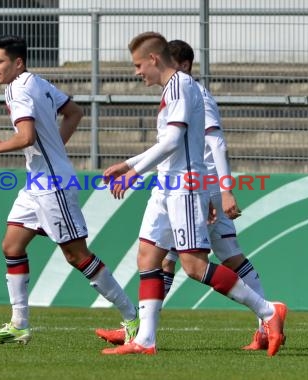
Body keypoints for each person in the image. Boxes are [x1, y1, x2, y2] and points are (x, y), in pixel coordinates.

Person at [98, 32, 287, 357]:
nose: (136, 72)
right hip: (166, 186)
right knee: (148, 257)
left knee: (195, 267)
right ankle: (145, 339)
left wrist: (134, 173)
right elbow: (169, 143)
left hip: (185, 187)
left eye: (138, 65)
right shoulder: (172, 89)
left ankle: (269, 312)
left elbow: (178, 142)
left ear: (154, 59)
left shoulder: (185, 88)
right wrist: (129, 163)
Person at [0, 35, 138, 345]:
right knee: (12, 246)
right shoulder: (38, 83)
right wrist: (55, 151)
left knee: (76, 255)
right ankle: (19, 324)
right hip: (38, 180)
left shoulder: (18, 89)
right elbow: (75, 112)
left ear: (18, 63)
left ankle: (132, 318)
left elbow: (25, 136)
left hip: (52, 184)